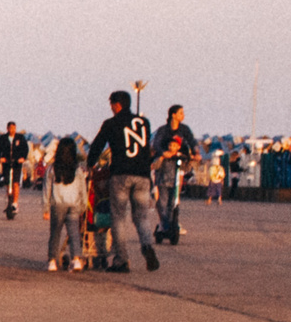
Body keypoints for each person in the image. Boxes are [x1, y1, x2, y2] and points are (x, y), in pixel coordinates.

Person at [85, 90, 159, 272]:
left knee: (118, 218)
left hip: (121, 174)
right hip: (142, 175)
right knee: (141, 216)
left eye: (111, 104)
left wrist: (90, 164)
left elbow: (97, 145)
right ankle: (147, 245)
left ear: (116, 105)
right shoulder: (144, 123)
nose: (110, 108)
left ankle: (121, 260)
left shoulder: (111, 123)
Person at [151, 104, 198, 244]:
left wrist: (196, 153)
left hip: (178, 167)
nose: (183, 115)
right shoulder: (163, 130)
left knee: (174, 202)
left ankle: (171, 224)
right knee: (162, 201)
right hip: (164, 169)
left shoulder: (184, 129)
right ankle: (165, 224)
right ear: (173, 115)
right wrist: (163, 153)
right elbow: (157, 144)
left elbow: (192, 141)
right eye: (180, 113)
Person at [44, 136, 86, 272]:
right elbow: (82, 190)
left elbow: (46, 189)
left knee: (55, 233)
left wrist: (45, 208)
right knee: (74, 233)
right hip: (74, 204)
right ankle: (77, 260)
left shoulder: (52, 169)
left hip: (58, 204)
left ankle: (52, 261)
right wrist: (83, 205)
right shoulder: (77, 170)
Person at [0, 122, 31, 219]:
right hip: (7, 163)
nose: (12, 130)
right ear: (7, 128)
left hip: (17, 163)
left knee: (16, 183)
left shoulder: (20, 138)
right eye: (10, 128)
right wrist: (0, 158)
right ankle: (9, 198)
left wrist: (22, 158)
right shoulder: (3, 138)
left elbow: (25, 149)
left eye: (14, 128)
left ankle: (15, 203)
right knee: (8, 183)